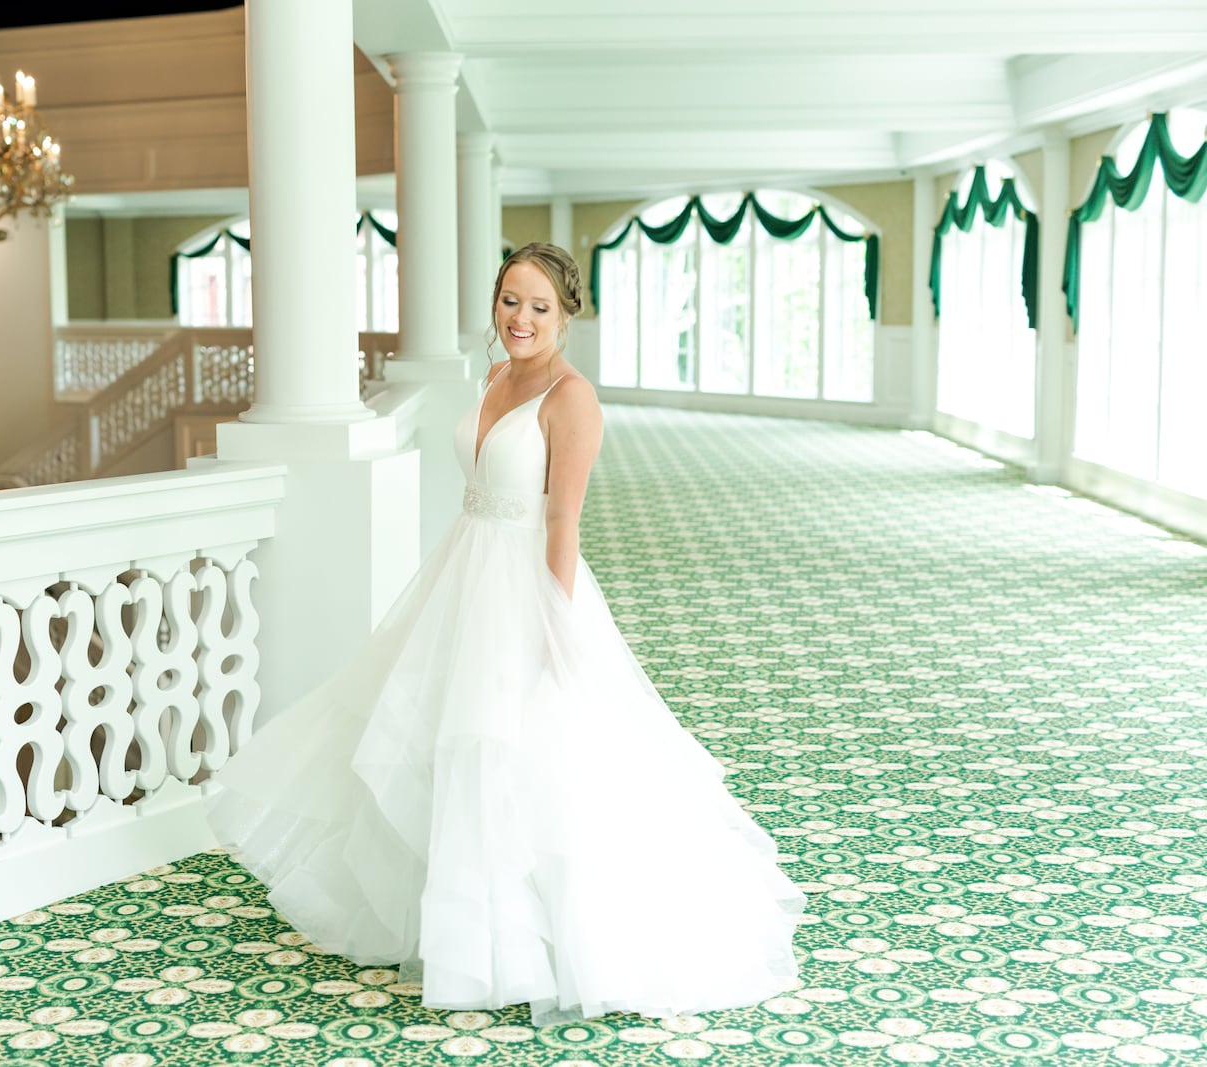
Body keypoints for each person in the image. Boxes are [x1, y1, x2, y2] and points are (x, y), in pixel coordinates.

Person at [208, 242, 804, 1025]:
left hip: (526, 584)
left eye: (539, 307)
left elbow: (563, 522)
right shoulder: (494, 376)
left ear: (567, 315)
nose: (520, 318)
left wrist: (548, 627)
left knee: (519, 752)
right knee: (446, 742)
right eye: (510, 301)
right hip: (464, 568)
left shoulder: (572, 397)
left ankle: (531, 945)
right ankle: (456, 927)